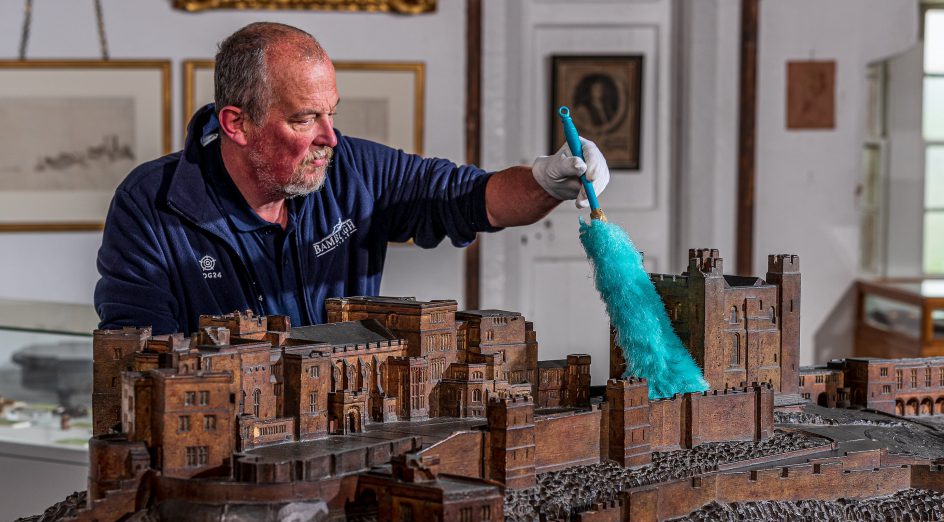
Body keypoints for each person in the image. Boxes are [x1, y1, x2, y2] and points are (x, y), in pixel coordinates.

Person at [94, 22, 608, 335]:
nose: (330, 139)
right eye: (304, 119)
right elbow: (141, 362)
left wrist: (547, 181)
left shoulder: (356, 170)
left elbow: (477, 199)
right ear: (237, 124)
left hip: (344, 447)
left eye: (332, 114)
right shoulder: (152, 205)